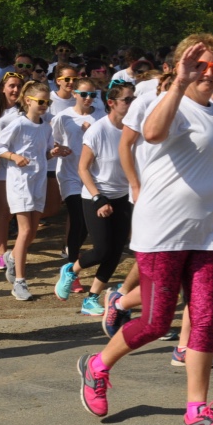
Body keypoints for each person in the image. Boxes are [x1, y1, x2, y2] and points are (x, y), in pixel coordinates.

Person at [77, 33, 213, 425]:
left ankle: (197, 410)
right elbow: (152, 134)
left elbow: (204, 166)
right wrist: (178, 83)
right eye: (200, 66)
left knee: (206, 320)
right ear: (180, 66)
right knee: (156, 322)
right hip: (162, 231)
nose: (210, 75)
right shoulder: (158, 102)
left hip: (207, 233)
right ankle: (97, 365)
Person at [58, 82, 135, 314]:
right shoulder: (98, 130)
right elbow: (83, 169)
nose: (132, 104)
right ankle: (71, 270)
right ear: (111, 103)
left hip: (122, 196)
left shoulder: (134, 129)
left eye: (134, 99)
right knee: (101, 250)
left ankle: (91, 298)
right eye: (127, 100)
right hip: (95, 196)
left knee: (116, 251)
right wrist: (98, 198)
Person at [0, 80, 69, 300]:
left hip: (38, 181)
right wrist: (14, 157)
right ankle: (20, 281)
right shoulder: (18, 124)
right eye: (40, 101)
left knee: (33, 232)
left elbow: (43, 153)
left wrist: (54, 152)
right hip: (19, 182)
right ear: (28, 101)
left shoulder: (46, 126)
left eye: (47, 102)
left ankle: (10, 257)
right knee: (25, 231)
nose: (44, 105)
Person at [52, 77, 100, 300]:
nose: (89, 98)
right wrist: (58, 149)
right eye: (84, 94)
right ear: (75, 94)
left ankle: (72, 265)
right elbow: (53, 142)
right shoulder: (63, 117)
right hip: (70, 174)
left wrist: (92, 132)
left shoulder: (100, 116)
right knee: (77, 218)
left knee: (86, 226)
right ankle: (72, 269)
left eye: (93, 95)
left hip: (93, 175)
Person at [0, 70, 24, 268]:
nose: (15, 89)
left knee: (14, 210)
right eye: (11, 85)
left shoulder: (24, 110)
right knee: (5, 209)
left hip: (17, 165)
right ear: (3, 88)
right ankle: (2, 254)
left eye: (19, 86)